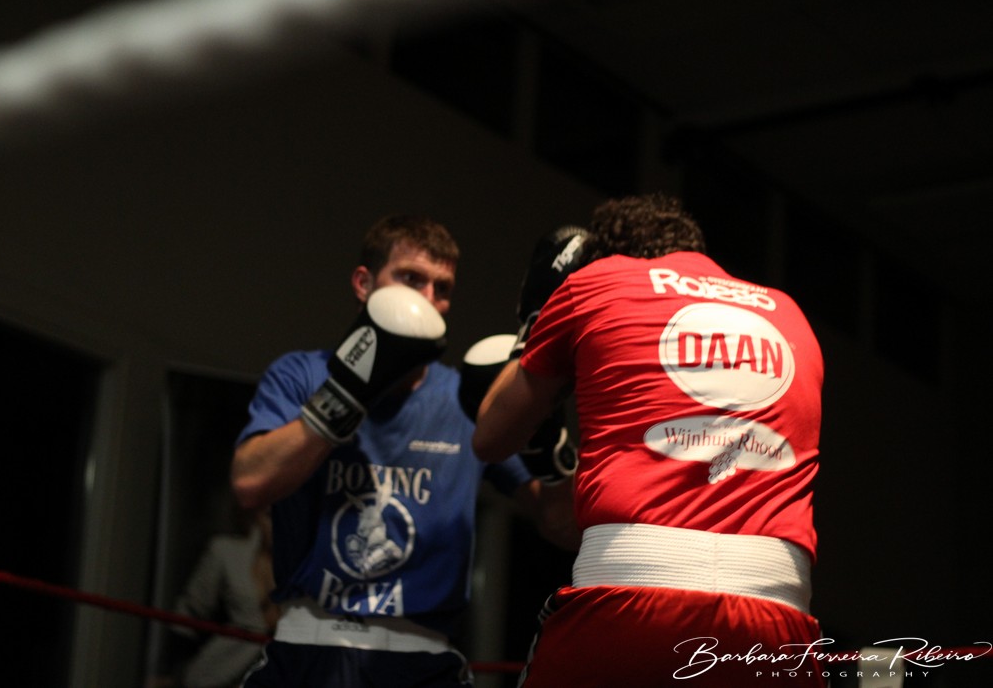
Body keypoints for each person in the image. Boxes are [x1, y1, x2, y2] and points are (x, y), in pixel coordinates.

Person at [473, 192, 826, 687]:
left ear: (613, 254)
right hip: (777, 622)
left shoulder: (597, 281)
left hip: (630, 605)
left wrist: (536, 320)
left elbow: (490, 438)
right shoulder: (790, 314)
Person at [230, 214, 578, 688]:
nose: (428, 299)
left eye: (442, 288)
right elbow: (249, 483)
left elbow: (563, 527)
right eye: (411, 279)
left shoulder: (468, 400)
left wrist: (551, 447)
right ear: (364, 284)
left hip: (423, 658)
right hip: (309, 645)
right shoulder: (303, 375)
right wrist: (348, 393)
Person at [147, 507, 278, 688]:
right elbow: (190, 611)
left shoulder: (305, 568)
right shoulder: (226, 552)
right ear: (256, 517)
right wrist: (166, 672)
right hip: (216, 672)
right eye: (270, 516)